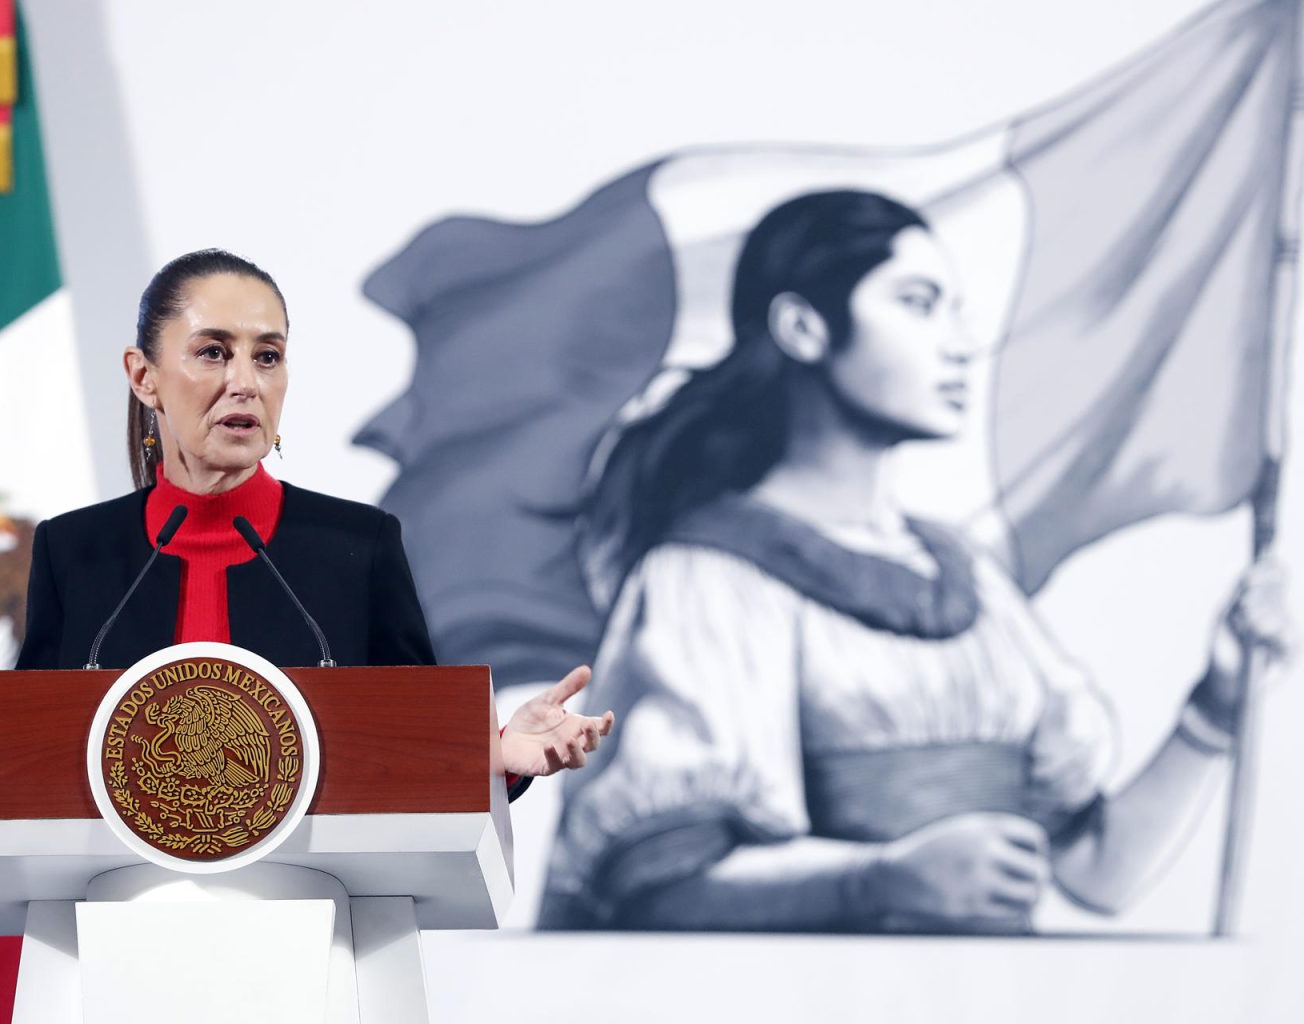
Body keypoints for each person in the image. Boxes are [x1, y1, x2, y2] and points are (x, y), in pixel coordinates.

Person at [536, 191, 1291, 933]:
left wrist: (1216, 704)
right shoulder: (707, 577)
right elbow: (659, 887)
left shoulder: (970, 581)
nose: (960, 343)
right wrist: (880, 879)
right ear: (803, 327)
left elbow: (1099, 874)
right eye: (919, 303)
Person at [0, 248, 615, 828]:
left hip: (314, 939)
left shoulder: (356, 547)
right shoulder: (77, 555)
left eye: (268, 357)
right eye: (213, 353)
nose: (244, 383)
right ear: (143, 376)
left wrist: (497, 755)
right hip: (119, 940)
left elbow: (415, 756)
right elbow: (32, 761)